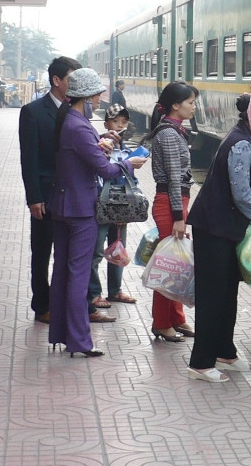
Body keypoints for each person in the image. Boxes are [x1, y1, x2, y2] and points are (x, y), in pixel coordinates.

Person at [47, 68, 146, 357]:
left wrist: (102, 139)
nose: (101, 99)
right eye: (98, 94)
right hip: (80, 210)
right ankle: (79, 341)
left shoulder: (69, 120)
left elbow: (82, 153)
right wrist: (130, 164)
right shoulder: (78, 126)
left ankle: (61, 334)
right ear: (87, 96)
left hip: (63, 205)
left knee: (62, 271)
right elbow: (104, 169)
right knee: (78, 276)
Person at [185, 91, 251, 382]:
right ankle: (200, 363)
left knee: (227, 293)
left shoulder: (241, 138)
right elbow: (241, 195)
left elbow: (243, 186)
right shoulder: (242, 143)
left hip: (223, 228)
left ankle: (224, 353)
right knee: (212, 296)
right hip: (213, 228)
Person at [18, 56, 81, 324]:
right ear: (57, 81)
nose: (77, 85)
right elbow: (28, 159)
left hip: (72, 195)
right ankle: (42, 304)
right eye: (72, 79)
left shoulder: (76, 111)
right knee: (42, 252)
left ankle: (67, 302)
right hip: (45, 195)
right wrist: (34, 198)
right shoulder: (33, 112)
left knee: (69, 253)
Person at [143, 82, 200, 342]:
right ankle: (161, 322)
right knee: (169, 265)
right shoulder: (168, 134)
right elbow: (174, 179)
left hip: (175, 202)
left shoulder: (175, 130)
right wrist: (178, 216)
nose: (194, 107)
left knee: (177, 263)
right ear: (175, 105)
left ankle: (176, 318)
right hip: (170, 203)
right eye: (190, 102)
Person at [87, 105, 138, 310]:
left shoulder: (126, 151)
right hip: (101, 204)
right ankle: (94, 293)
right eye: (116, 122)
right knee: (97, 252)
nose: (120, 126)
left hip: (121, 206)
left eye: (124, 123)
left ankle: (115, 290)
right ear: (106, 123)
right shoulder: (99, 146)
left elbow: (131, 179)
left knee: (118, 249)